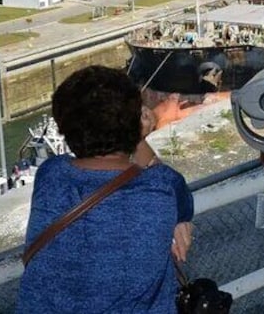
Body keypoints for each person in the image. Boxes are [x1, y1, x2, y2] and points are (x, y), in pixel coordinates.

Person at [17, 65, 194, 314]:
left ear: (64, 128)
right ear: (136, 123)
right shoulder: (160, 187)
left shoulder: (50, 175)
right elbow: (175, 191)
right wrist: (139, 138)